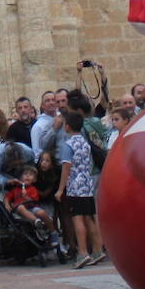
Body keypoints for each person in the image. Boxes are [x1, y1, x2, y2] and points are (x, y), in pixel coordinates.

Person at [58, 111, 105, 268]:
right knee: (90, 218)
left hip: (75, 186)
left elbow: (66, 167)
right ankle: (98, 249)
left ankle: (83, 252)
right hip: (88, 184)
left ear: (68, 126)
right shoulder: (85, 143)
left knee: (77, 219)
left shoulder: (68, 144)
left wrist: (60, 189)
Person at [5, 165, 54, 233]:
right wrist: (7, 204)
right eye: (25, 174)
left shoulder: (33, 189)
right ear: (20, 178)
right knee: (20, 207)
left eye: (30, 175)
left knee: (41, 212)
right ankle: (36, 221)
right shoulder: (16, 189)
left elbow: (34, 202)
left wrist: (25, 197)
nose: (27, 176)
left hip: (31, 208)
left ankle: (53, 232)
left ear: (34, 179)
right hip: (20, 211)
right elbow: (7, 197)